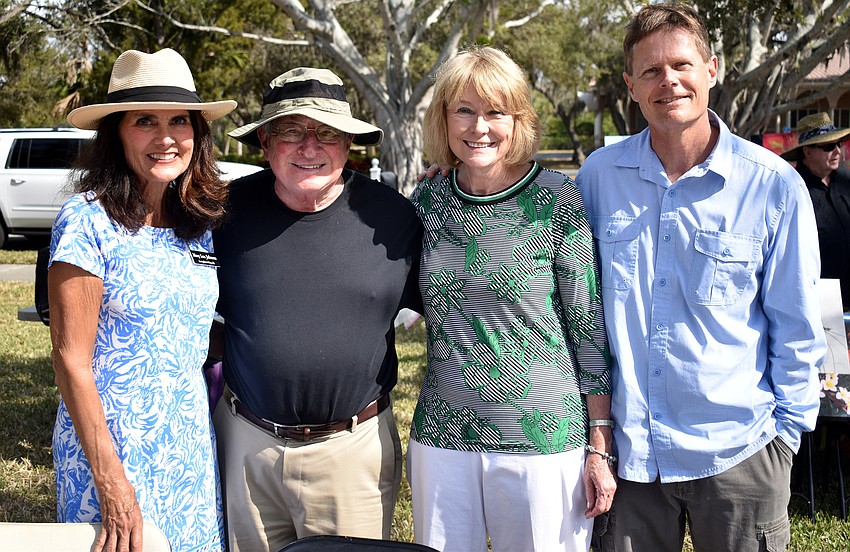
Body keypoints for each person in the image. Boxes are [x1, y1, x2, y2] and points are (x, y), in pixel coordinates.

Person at [574, 4, 825, 552]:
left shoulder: (774, 187)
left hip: (740, 454)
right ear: (631, 86)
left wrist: (784, 440)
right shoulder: (597, 177)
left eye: (681, 65)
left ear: (712, 68)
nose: (668, 81)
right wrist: (455, 172)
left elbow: (799, 328)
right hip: (632, 460)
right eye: (650, 71)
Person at [407, 46, 614, 552]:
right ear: (444, 119)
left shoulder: (554, 198)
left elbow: (586, 325)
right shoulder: (426, 201)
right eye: (464, 109)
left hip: (542, 437)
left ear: (517, 120)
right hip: (442, 435)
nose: (479, 126)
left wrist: (599, 444)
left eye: (496, 111)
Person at [212, 67, 422, 552]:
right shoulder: (222, 212)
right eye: (291, 131)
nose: (311, 147)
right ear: (264, 142)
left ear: (348, 143)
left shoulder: (392, 217)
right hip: (247, 445)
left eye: (327, 132)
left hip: (350, 452)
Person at [50, 48, 236, 552]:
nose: (166, 137)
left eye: (180, 120)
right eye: (145, 121)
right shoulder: (87, 220)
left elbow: (188, 327)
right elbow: (70, 358)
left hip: (188, 443)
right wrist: (111, 481)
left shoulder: (197, 224)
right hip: (110, 453)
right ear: (116, 133)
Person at [781, 112, 850, 310]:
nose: (837, 151)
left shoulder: (846, 180)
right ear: (808, 152)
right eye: (828, 147)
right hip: (818, 299)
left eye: (838, 144)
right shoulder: (791, 189)